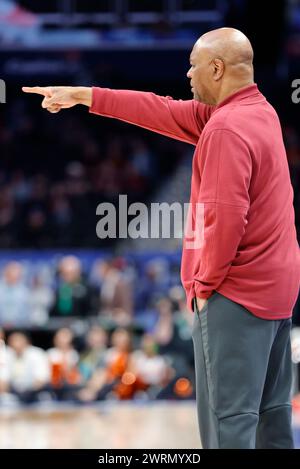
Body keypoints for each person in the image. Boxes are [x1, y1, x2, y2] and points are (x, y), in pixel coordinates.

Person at [22, 27, 300, 448]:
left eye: (193, 64)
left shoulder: (225, 129)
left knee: (229, 426)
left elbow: (225, 222)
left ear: (217, 68)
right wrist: (85, 96)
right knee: (272, 420)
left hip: (236, 297)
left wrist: (204, 286)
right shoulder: (259, 112)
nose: (187, 74)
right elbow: (159, 110)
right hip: (277, 294)